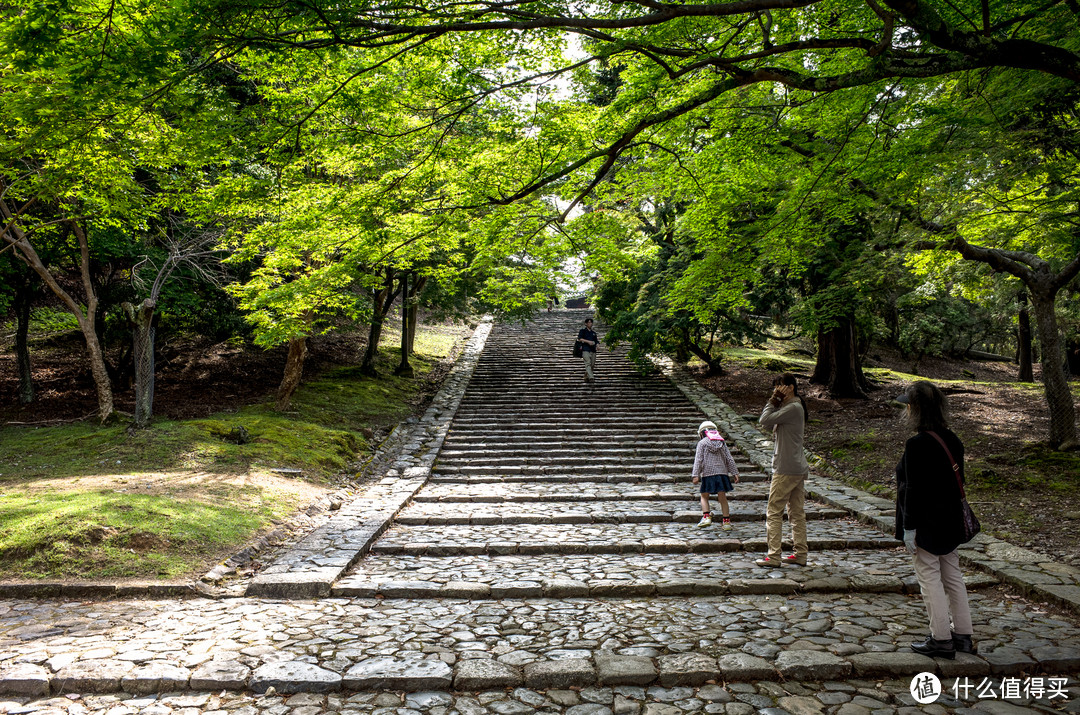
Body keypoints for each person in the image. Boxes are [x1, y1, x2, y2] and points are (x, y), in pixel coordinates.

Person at [894, 380, 976, 660]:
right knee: (953, 576)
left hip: (925, 523)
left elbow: (912, 489)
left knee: (929, 578)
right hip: (950, 520)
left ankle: (941, 638)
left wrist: (908, 527)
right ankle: (963, 635)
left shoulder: (917, 444)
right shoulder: (953, 439)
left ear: (916, 409)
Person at [757, 373, 809, 567]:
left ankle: (774, 556)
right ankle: (800, 554)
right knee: (796, 512)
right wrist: (778, 400)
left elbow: (764, 420)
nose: (776, 391)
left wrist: (774, 400)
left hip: (786, 468)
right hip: (795, 466)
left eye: (779, 387)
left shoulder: (793, 407)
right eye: (775, 388)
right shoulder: (792, 407)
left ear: (791, 387)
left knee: (774, 511)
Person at [691, 420, 740, 529]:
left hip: (708, 474)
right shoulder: (722, 443)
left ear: (701, 433)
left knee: (704, 496)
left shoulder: (702, 443)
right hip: (722, 473)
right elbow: (729, 458)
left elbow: (698, 460)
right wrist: (735, 472)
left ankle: (706, 517)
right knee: (722, 497)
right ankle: (726, 522)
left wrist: (695, 475)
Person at [576, 318, 599, 383]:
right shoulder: (582, 331)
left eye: (591, 322)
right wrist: (588, 341)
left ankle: (586, 376)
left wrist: (597, 345)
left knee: (592, 365)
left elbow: (596, 341)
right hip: (585, 349)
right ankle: (591, 377)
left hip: (593, 350)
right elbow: (579, 339)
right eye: (589, 322)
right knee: (588, 363)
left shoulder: (593, 333)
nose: (590, 323)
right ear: (586, 323)